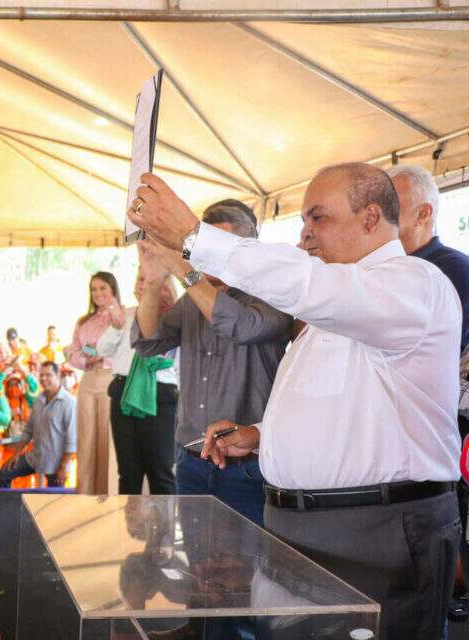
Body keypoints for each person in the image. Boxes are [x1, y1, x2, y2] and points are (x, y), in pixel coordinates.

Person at [129, 162, 461, 640]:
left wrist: (189, 236)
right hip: (299, 531)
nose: (304, 237)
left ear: (370, 218)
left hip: (374, 533)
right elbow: (342, 407)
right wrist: (260, 437)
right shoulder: (340, 303)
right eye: (303, 223)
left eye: (317, 219)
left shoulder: (414, 285)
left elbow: (304, 284)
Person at [132, 200, 292, 523]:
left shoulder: (273, 295)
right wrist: (151, 286)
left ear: (249, 249)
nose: (209, 262)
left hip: (248, 468)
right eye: (204, 250)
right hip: (192, 462)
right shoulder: (192, 299)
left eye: (219, 251)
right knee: (197, 570)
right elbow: (149, 342)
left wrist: (183, 270)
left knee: (250, 569)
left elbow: (240, 326)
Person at [387, 164, 469, 623]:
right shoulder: (385, 270)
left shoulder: (452, 269)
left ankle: (449, 591)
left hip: (437, 434)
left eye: (391, 207)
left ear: (424, 212)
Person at [98, 267, 178, 496]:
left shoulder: (174, 316)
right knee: (129, 472)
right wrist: (115, 327)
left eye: (148, 278)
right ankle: (130, 530)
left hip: (160, 395)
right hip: (123, 393)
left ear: (164, 284)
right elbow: (102, 349)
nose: (142, 284)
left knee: (160, 471)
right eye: (139, 279)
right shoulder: (126, 315)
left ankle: (164, 532)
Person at [387, 165, 469, 351]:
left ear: (423, 213)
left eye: (389, 203)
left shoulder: (456, 270)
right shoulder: (380, 269)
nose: (376, 212)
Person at [65, 271, 118, 495]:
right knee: (86, 438)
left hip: (110, 378)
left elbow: (125, 349)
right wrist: (88, 357)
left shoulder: (121, 316)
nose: (98, 293)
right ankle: (84, 495)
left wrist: (102, 356)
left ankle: (108, 495)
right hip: (88, 379)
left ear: (113, 289)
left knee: (107, 438)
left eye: (103, 288)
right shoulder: (83, 321)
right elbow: (73, 351)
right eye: (94, 289)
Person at [0, 361, 76, 489]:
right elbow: (28, 431)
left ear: (58, 376)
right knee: (3, 474)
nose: (44, 378)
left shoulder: (69, 402)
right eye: (42, 375)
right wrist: (15, 455)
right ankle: (8, 508)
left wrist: (63, 467)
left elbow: (72, 439)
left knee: (52, 502)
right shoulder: (39, 400)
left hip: (56, 463)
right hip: (35, 457)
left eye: (48, 375)